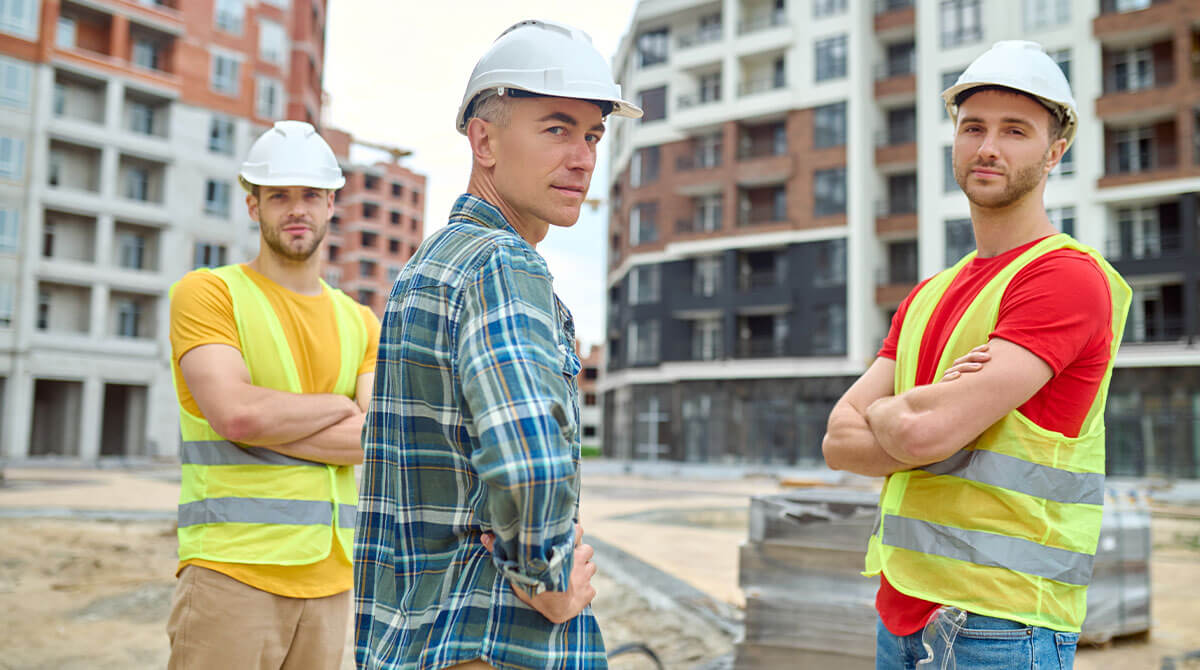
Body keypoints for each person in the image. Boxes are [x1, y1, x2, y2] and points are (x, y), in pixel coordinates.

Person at [821, 41, 1131, 669]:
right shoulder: (929, 294)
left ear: (1054, 153)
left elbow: (920, 429)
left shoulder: (1063, 278)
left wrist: (906, 417)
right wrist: (918, 420)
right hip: (901, 611)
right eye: (973, 128)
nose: (989, 147)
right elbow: (836, 441)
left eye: (1015, 131)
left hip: (1002, 624)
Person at [353, 19, 641, 670]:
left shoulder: (430, 267)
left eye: (593, 134)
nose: (584, 157)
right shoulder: (500, 266)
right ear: (483, 138)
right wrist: (546, 578)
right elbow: (525, 458)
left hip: (418, 638)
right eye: (556, 128)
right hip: (495, 641)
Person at [166, 120, 381, 670]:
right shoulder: (209, 293)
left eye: (310, 194)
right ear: (252, 205)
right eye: (279, 195)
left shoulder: (360, 321)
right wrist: (339, 405)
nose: (296, 209)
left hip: (332, 581)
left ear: (332, 203)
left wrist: (275, 419)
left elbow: (377, 439)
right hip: (230, 573)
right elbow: (236, 416)